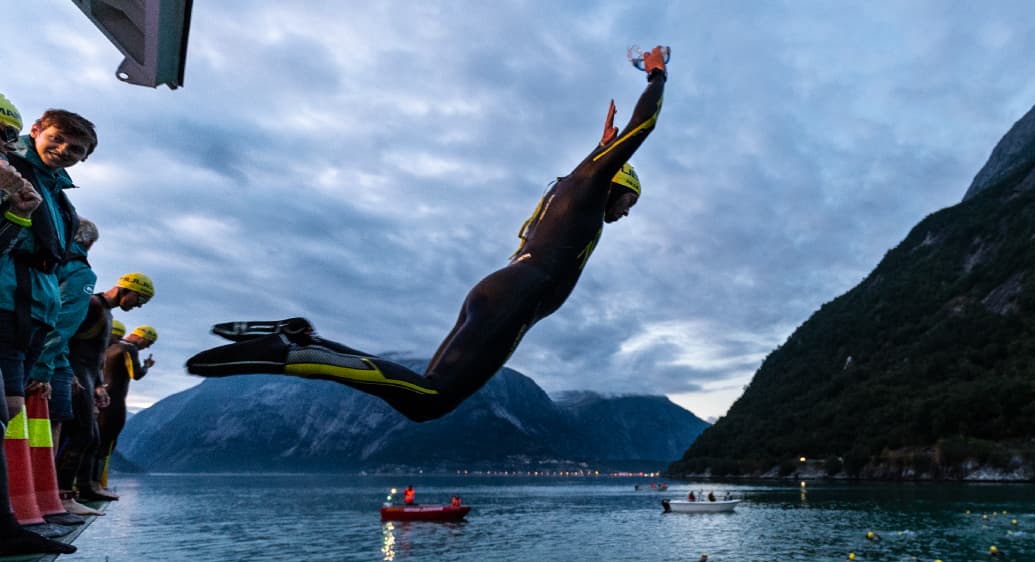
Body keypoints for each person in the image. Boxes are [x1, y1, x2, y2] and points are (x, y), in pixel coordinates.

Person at [187, 46, 673, 423]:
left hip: (500, 287)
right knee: (430, 400)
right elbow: (644, 123)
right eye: (630, 202)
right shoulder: (589, 186)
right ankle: (297, 356)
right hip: (518, 296)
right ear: (616, 183)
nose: (627, 214)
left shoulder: (570, 190)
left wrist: (598, 149)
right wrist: (656, 72)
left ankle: (306, 340)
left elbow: (573, 195)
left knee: (424, 390)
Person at [0, 94, 76, 555]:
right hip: (12, 299)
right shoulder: (22, 173)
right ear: (36, 133)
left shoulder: (47, 189)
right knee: (7, 408)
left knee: (6, 410)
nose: (67, 150)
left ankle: (8, 521)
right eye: (59, 138)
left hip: (28, 305)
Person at [53, 274, 152, 502]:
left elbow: (96, 358)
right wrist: (65, 371)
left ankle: (84, 488)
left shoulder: (106, 312)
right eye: (140, 300)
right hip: (76, 377)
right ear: (129, 290)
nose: (138, 306)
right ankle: (62, 493)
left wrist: (98, 386)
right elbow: (62, 336)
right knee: (81, 434)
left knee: (92, 437)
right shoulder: (92, 305)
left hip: (87, 379)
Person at [29, 216, 101, 514]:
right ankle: (50, 499)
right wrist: (45, 366)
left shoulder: (44, 258)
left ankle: (36, 498)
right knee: (53, 424)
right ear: (88, 243)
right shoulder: (82, 274)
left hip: (31, 348)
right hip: (48, 359)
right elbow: (64, 323)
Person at [94, 324, 155, 490]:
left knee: (92, 440)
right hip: (114, 402)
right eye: (149, 342)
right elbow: (136, 374)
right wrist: (147, 366)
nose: (147, 346)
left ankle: (80, 483)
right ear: (142, 337)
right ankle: (98, 484)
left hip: (96, 399)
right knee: (108, 442)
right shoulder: (128, 349)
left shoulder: (105, 347)